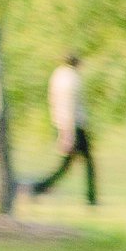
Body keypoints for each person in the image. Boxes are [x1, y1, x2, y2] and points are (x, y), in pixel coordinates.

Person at [30, 53, 96, 207]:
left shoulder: (58, 75)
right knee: (84, 162)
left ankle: (40, 188)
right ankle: (91, 197)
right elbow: (70, 106)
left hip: (63, 123)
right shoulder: (72, 78)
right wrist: (68, 133)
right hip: (73, 125)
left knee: (67, 164)